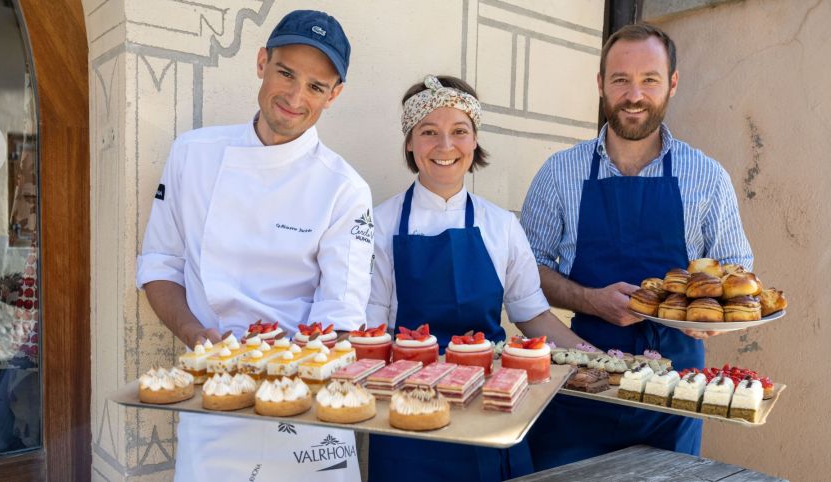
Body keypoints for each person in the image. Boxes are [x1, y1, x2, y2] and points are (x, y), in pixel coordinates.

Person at [136, 10, 372, 481]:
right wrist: (193, 332)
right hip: (215, 399)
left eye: (316, 86)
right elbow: (161, 263)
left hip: (308, 411)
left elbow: (341, 314)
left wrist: (283, 367)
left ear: (334, 96)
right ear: (262, 62)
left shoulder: (345, 189)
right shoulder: (192, 154)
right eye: (286, 73)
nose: (294, 96)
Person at [521, 23, 753, 469]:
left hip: (675, 393)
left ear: (672, 83)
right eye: (621, 79)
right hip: (580, 379)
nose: (634, 94)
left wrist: (709, 322)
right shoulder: (559, 173)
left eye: (649, 79)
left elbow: (736, 274)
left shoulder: (706, 177)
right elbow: (525, 271)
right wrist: (590, 299)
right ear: (601, 85)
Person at [366, 75, 589, 482]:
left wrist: (594, 355)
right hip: (406, 407)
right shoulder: (380, 224)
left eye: (459, 132)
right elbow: (372, 328)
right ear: (410, 143)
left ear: (474, 141)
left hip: (490, 401)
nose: (445, 146)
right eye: (429, 132)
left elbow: (532, 315)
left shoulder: (501, 225)